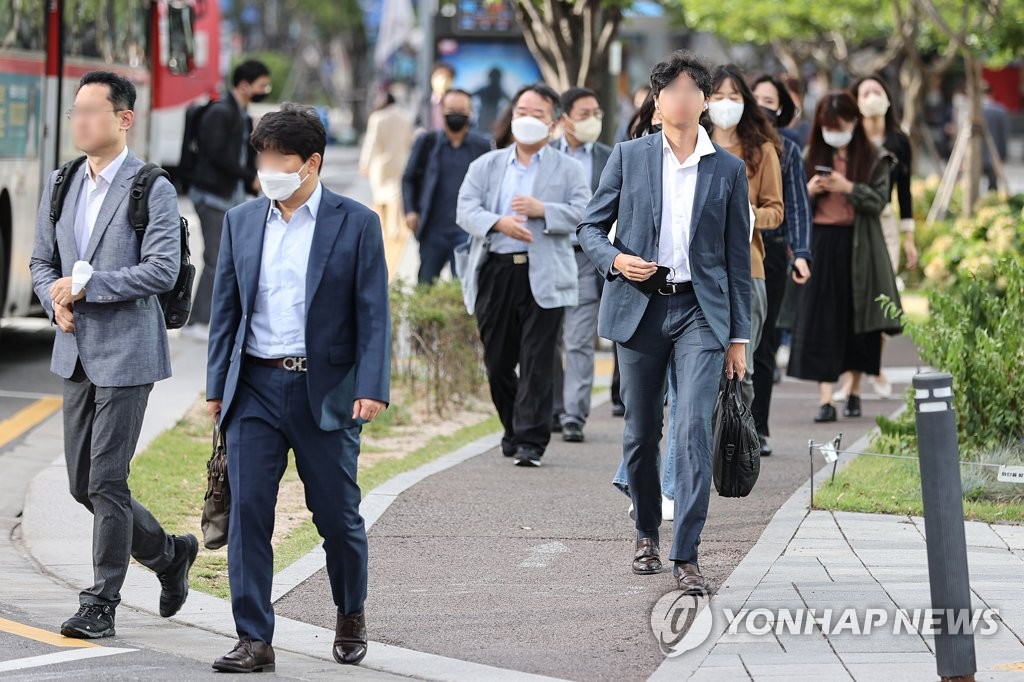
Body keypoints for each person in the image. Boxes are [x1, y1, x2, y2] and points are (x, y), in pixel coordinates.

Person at [206, 104, 390, 671]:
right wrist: (217, 388)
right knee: (249, 515)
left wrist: (372, 385)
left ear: (310, 162)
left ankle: (350, 611)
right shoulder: (241, 221)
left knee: (337, 516)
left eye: (277, 158)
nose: (266, 168)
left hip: (325, 389)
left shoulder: (355, 222)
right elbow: (226, 312)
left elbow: (373, 312)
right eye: (260, 157)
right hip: (254, 388)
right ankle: (253, 638)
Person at [29, 71, 198, 638]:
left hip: (128, 352)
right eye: (76, 110)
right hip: (74, 349)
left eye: (91, 111)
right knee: (85, 485)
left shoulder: (151, 186)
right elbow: (40, 263)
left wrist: (86, 286)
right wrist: (55, 302)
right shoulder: (60, 182)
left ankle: (100, 601)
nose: (79, 120)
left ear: (124, 119)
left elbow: (162, 270)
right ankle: (170, 555)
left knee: (105, 479)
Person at [577, 51, 752, 594]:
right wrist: (614, 260)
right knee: (640, 431)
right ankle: (646, 531)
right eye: (669, 90)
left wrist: (739, 337)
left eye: (690, 90)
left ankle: (687, 555)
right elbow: (588, 227)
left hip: (702, 311)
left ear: (704, 101)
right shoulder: (629, 157)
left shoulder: (728, 169)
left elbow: (735, 262)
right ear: (656, 102)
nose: (680, 98)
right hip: (641, 306)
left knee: (693, 427)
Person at [456, 83, 591, 467]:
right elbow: (465, 209)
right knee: (498, 362)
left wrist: (542, 209)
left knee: (537, 359)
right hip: (496, 272)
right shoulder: (487, 164)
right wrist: (498, 222)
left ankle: (531, 440)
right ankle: (514, 425)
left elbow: (584, 213)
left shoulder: (568, 169)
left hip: (545, 274)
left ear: (553, 124)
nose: (527, 119)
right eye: (521, 111)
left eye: (536, 114)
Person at [787, 92, 902, 423]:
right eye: (828, 125)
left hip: (860, 245)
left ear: (854, 123)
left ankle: (853, 390)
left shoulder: (873, 157)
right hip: (821, 243)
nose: (834, 131)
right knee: (820, 319)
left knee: (859, 320)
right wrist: (810, 190)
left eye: (840, 125)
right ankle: (826, 398)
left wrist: (848, 186)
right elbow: (793, 205)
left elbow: (880, 201)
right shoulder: (809, 154)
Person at [832, 75, 918, 402]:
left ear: (888, 96)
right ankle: (852, 380)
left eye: (876, 91)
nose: (871, 97)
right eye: (864, 92)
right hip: (852, 222)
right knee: (855, 301)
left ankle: (875, 366)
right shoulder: (849, 139)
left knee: (880, 299)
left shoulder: (898, 141)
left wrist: (910, 238)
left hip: (884, 224)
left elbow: (905, 192)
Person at [705, 65, 784, 414]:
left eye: (733, 97)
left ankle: (737, 450)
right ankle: (701, 454)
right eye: (717, 96)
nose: (725, 104)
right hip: (699, 272)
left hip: (746, 271)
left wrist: (747, 214)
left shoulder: (761, 151)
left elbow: (776, 212)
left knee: (741, 370)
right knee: (700, 371)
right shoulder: (692, 145)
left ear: (745, 103)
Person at [749, 74, 813, 456]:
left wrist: (801, 252)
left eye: (768, 99)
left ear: (781, 107)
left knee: (764, 342)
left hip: (769, 253)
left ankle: (758, 426)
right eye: (753, 96)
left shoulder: (786, 148)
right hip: (720, 253)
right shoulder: (720, 142)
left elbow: (797, 205)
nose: (760, 104)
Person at [185, 59, 269, 339]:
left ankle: (207, 318)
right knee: (215, 258)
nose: (264, 90)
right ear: (244, 85)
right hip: (212, 195)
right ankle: (197, 321)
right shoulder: (221, 112)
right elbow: (217, 155)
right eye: (261, 85)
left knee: (223, 258)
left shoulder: (241, 113)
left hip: (227, 196)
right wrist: (249, 176)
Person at [550, 86, 613, 443]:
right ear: (564, 120)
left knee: (578, 339)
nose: (592, 121)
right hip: (548, 255)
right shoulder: (544, 156)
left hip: (587, 259)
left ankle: (574, 414)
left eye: (596, 114)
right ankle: (553, 407)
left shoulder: (609, 157)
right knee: (546, 338)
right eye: (584, 114)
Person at [402, 88, 492, 285]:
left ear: (470, 113)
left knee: (462, 290)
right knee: (426, 288)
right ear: (442, 110)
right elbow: (408, 178)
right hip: (432, 230)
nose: (456, 114)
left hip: (466, 232)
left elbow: (491, 186)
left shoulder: (482, 146)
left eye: (462, 110)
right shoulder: (427, 142)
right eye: (451, 109)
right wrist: (410, 211)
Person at [360, 91, 416, 244]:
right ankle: (395, 228)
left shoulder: (377, 118)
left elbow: (371, 142)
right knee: (396, 197)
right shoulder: (405, 118)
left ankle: (382, 229)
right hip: (400, 161)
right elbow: (410, 141)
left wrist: (365, 162)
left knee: (379, 197)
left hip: (380, 164)